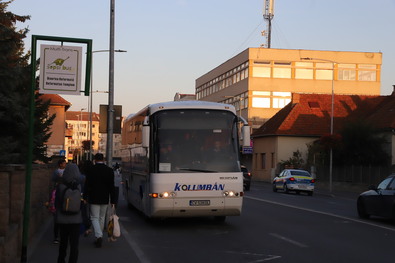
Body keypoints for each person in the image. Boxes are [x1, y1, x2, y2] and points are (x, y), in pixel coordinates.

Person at [83, 153, 115, 248]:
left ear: (95, 160)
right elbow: (112, 187)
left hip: (94, 197)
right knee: (101, 217)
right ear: (104, 159)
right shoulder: (109, 170)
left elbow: (87, 185)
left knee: (94, 217)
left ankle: (98, 236)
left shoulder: (90, 170)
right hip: (105, 198)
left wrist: (85, 197)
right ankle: (98, 237)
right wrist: (113, 200)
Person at [55, 163, 83, 263]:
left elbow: (57, 202)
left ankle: (61, 260)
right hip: (76, 219)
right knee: (74, 245)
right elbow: (82, 203)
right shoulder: (79, 186)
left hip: (62, 219)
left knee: (63, 243)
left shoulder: (60, 186)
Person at [50, 158, 66, 244]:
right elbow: (53, 180)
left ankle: (60, 236)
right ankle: (56, 236)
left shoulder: (66, 171)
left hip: (61, 195)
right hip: (58, 195)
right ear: (60, 164)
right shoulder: (56, 172)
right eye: (64, 163)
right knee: (57, 218)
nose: (65, 165)